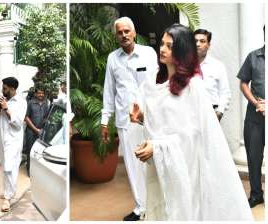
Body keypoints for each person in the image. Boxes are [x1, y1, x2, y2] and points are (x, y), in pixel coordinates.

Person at [130, 23, 253, 220]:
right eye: (162, 44)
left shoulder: (192, 86)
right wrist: (142, 117)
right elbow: (163, 123)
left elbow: (191, 135)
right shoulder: (153, 81)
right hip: (161, 167)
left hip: (186, 167)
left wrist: (158, 147)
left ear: (182, 50)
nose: (162, 49)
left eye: (169, 46)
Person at [101, 17, 158, 221]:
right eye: (120, 32)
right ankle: (140, 207)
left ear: (134, 33)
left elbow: (157, 85)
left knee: (152, 163)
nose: (124, 35)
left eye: (127, 31)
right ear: (116, 36)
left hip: (148, 119)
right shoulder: (112, 59)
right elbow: (109, 91)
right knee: (133, 167)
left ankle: (156, 206)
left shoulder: (149, 54)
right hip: (125, 122)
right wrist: (104, 121)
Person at [237, 26, 265, 208]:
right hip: (255, 117)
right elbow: (243, 83)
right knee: (254, 157)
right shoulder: (253, 57)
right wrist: (257, 103)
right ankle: (256, 194)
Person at [0, 77, 27, 212]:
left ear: (12, 88)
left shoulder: (21, 102)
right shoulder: (3, 100)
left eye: (5, 88)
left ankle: (8, 198)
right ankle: (9, 191)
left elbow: (18, 124)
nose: (2, 90)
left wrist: (7, 109)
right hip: (2, 139)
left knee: (9, 168)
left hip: (14, 141)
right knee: (5, 167)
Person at [194, 29, 231, 121]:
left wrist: (219, 112)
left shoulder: (217, 66)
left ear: (208, 45)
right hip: (190, 113)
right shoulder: (185, 66)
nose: (197, 44)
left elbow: (225, 92)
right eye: (195, 41)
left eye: (202, 41)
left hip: (211, 113)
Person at [24, 87, 50, 175]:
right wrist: (36, 129)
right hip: (31, 132)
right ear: (35, 94)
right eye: (39, 93)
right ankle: (30, 171)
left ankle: (38, 172)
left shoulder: (46, 104)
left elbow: (46, 118)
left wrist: (43, 129)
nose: (41, 95)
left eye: (42, 93)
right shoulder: (30, 103)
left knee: (40, 152)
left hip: (41, 132)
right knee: (30, 151)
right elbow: (26, 118)